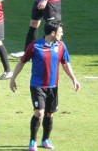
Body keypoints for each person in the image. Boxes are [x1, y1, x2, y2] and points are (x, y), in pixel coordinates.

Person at [10, 21, 80, 151]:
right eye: (60, 32)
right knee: (39, 112)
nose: (62, 34)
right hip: (37, 85)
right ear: (52, 33)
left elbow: (65, 64)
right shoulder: (34, 46)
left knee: (50, 113)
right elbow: (21, 62)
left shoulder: (61, 46)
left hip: (53, 86)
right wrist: (13, 79)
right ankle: (32, 141)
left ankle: (45, 140)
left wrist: (74, 79)